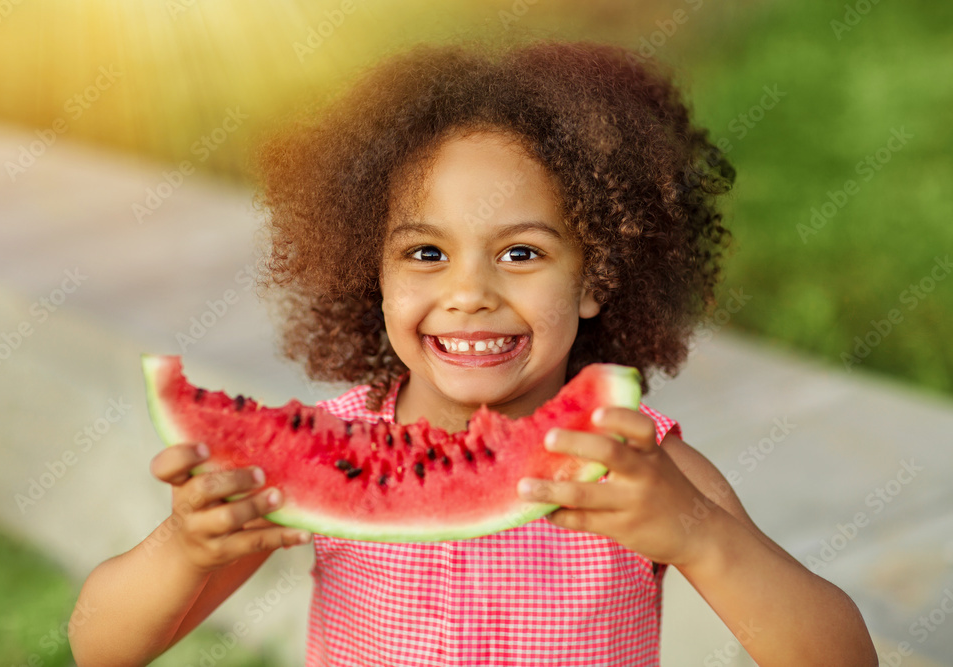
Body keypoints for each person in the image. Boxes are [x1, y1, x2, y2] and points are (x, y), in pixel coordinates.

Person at [70, 38, 876, 665]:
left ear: (593, 278)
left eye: (521, 253)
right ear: (371, 272)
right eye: (426, 254)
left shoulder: (640, 463)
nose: (471, 293)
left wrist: (700, 532)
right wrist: (184, 546)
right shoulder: (330, 449)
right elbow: (103, 646)